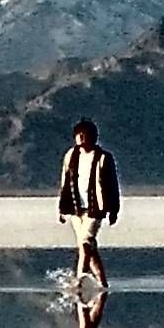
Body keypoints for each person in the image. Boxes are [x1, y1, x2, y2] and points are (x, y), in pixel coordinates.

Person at [53, 117, 120, 290]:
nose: (82, 138)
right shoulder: (71, 156)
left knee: (86, 242)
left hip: (95, 208)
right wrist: (61, 208)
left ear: (94, 136)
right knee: (89, 247)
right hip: (76, 208)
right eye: (79, 135)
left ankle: (79, 280)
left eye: (85, 135)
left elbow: (112, 185)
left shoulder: (104, 158)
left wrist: (114, 209)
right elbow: (65, 182)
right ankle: (103, 283)